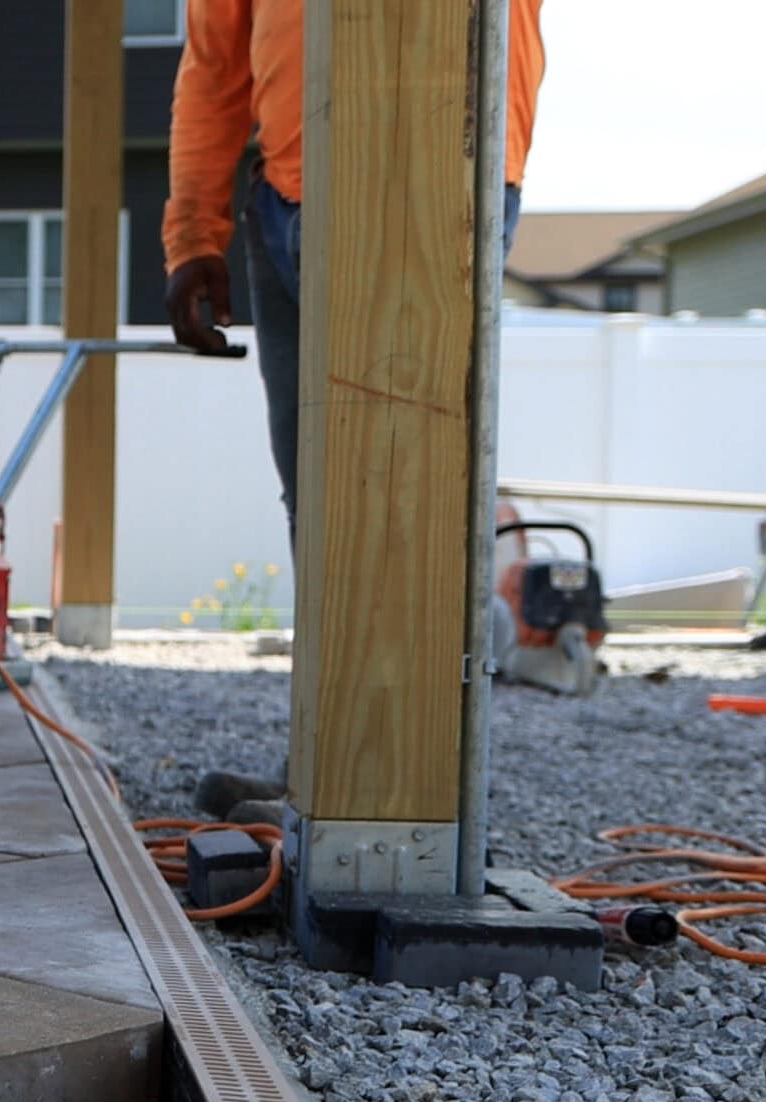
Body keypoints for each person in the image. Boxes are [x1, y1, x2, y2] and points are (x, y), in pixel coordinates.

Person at [162, 0, 546, 818]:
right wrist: (195, 231)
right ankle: (330, 764)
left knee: (406, 482)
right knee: (320, 487)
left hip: (442, 170)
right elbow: (216, 59)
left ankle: (397, 790)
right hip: (289, 187)